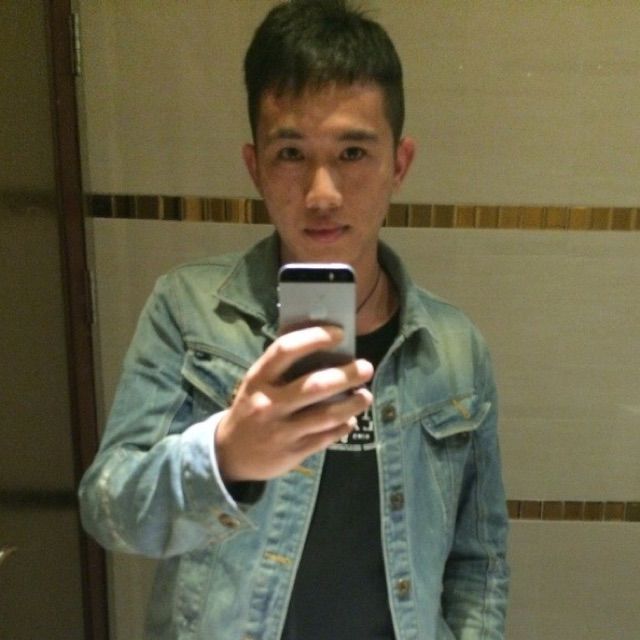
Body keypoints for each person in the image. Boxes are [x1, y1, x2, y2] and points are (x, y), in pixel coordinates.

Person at [79, 1, 510, 638]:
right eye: (290, 153)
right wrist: (224, 456)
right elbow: (108, 509)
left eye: (353, 152)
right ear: (255, 166)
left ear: (399, 164)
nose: (322, 193)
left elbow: (480, 563)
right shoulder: (189, 311)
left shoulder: (454, 349)